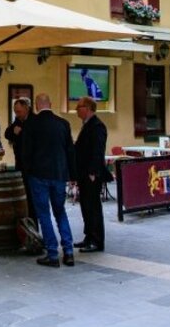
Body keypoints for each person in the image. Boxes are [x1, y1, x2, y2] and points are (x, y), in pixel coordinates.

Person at [22, 93, 77, 268]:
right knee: (60, 211)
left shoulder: (32, 124)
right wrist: (71, 174)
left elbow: (26, 152)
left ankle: (52, 254)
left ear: (37, 106)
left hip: (38, 175)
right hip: (59, 175)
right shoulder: (63, 124)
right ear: (50, 104)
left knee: (44, 213)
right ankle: (68, 252)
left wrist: (27, 170)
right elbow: (70, 151)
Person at [74, 96, 109, 253]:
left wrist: (93, 172)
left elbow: (97, 150)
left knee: (93, 206)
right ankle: (88, 237)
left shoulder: (97, 126)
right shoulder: (87, 125)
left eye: (78, 107)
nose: (76, 110)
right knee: (86, 206)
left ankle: (96, 240)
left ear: (87, 108)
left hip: (91, 174)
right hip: (84, 173)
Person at [5, 97, 37, 232]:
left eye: (19, 111)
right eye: (15, 112)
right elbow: (7, 133)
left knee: (32, 198)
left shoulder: (34, 121)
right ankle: (27, 225)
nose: (17, 114)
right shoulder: (18, 121)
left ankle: (34, 227)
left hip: (33, 165)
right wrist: (14, 132)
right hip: (21, 164)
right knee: (24, 197)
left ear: (26, 108)